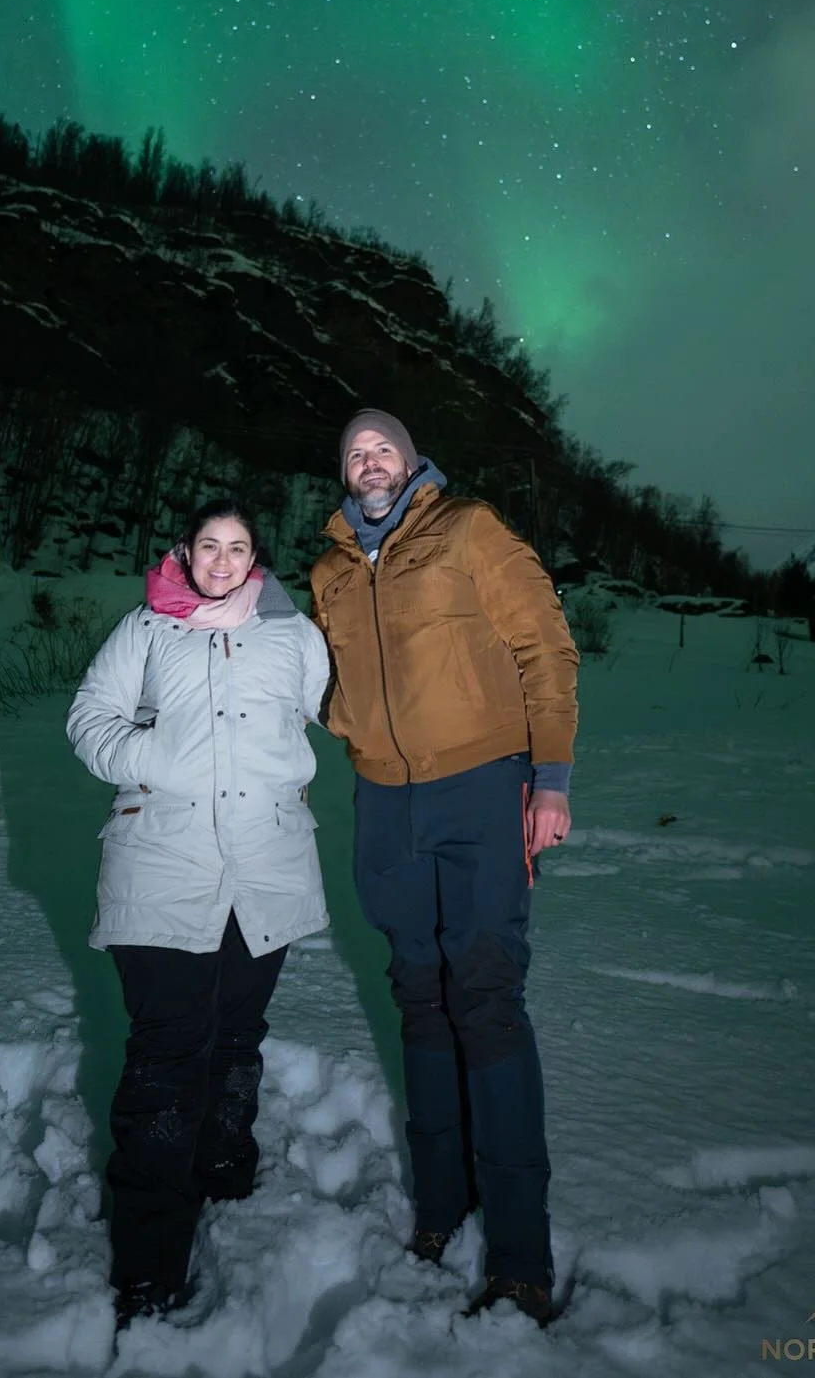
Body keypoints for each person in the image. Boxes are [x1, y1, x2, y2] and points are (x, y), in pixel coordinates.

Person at [310, 408, 579, 1330]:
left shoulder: (469, 528)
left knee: (486, 994)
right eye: (354, 454)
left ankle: (518, 1255)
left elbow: (546, 643)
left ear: (412, 458)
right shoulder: (330, 570)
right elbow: (326, 677)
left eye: (382, 446)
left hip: (480, 787)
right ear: (344, 476)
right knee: (416, 994)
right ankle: (439, 1207)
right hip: (383, 801)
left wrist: (550, 775)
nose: (369, 461)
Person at [66, 497, 331, 1328]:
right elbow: (88, 720)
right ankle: (148, 1263)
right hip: (162, 864)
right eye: (208, 545)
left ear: (256, 557)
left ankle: (225, 1170)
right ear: (184, 550)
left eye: (238, 546)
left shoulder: (292, 633)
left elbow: (338, 712)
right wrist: (155, 757)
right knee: (166, 1054)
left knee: (238, 1031)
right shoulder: (145, 628)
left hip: (265, 865)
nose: (221, 559)